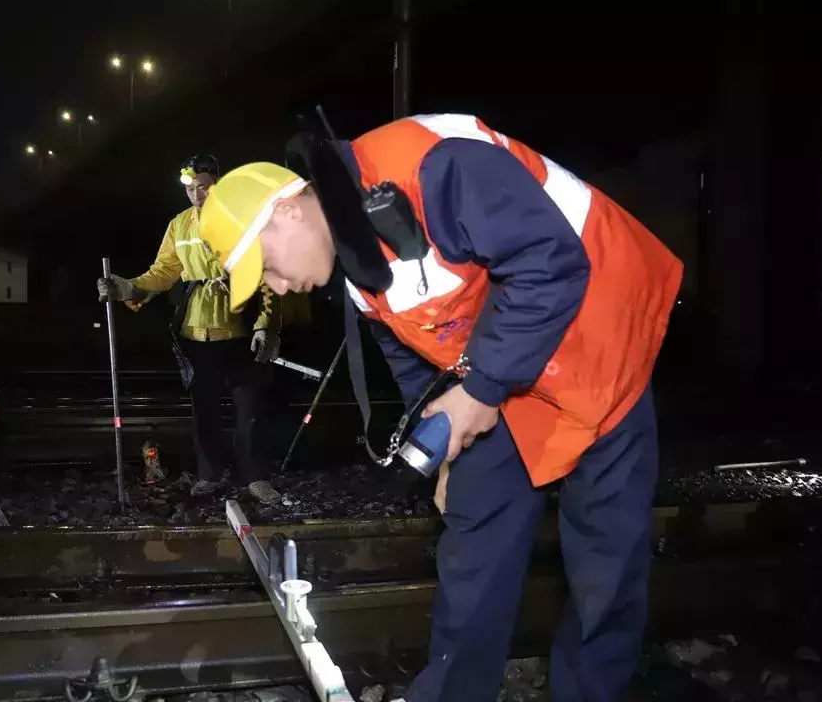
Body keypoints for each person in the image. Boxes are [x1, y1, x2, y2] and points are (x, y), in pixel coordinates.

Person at [197, 114, 683, 702]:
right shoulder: (356, 270)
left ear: (287, 210)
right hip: (500, 366)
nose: (272, 286)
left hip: (598, 340)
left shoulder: (431, 166)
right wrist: (447, 446)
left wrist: (479, 393)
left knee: (605, 559)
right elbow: (420, 363)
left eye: (266, 267)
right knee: (474, 538)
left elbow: (550, 262)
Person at [96, 154, 283, 504]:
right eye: (191, 189)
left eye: (204, 187)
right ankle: (210, 475)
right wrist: (128, 288)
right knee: (205, 409)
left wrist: (266, 325)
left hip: (239, 325)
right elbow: (163, 272)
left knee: (250, 409)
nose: (197, 195)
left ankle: (255, 477)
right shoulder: (179, 226)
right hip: (195, 331)